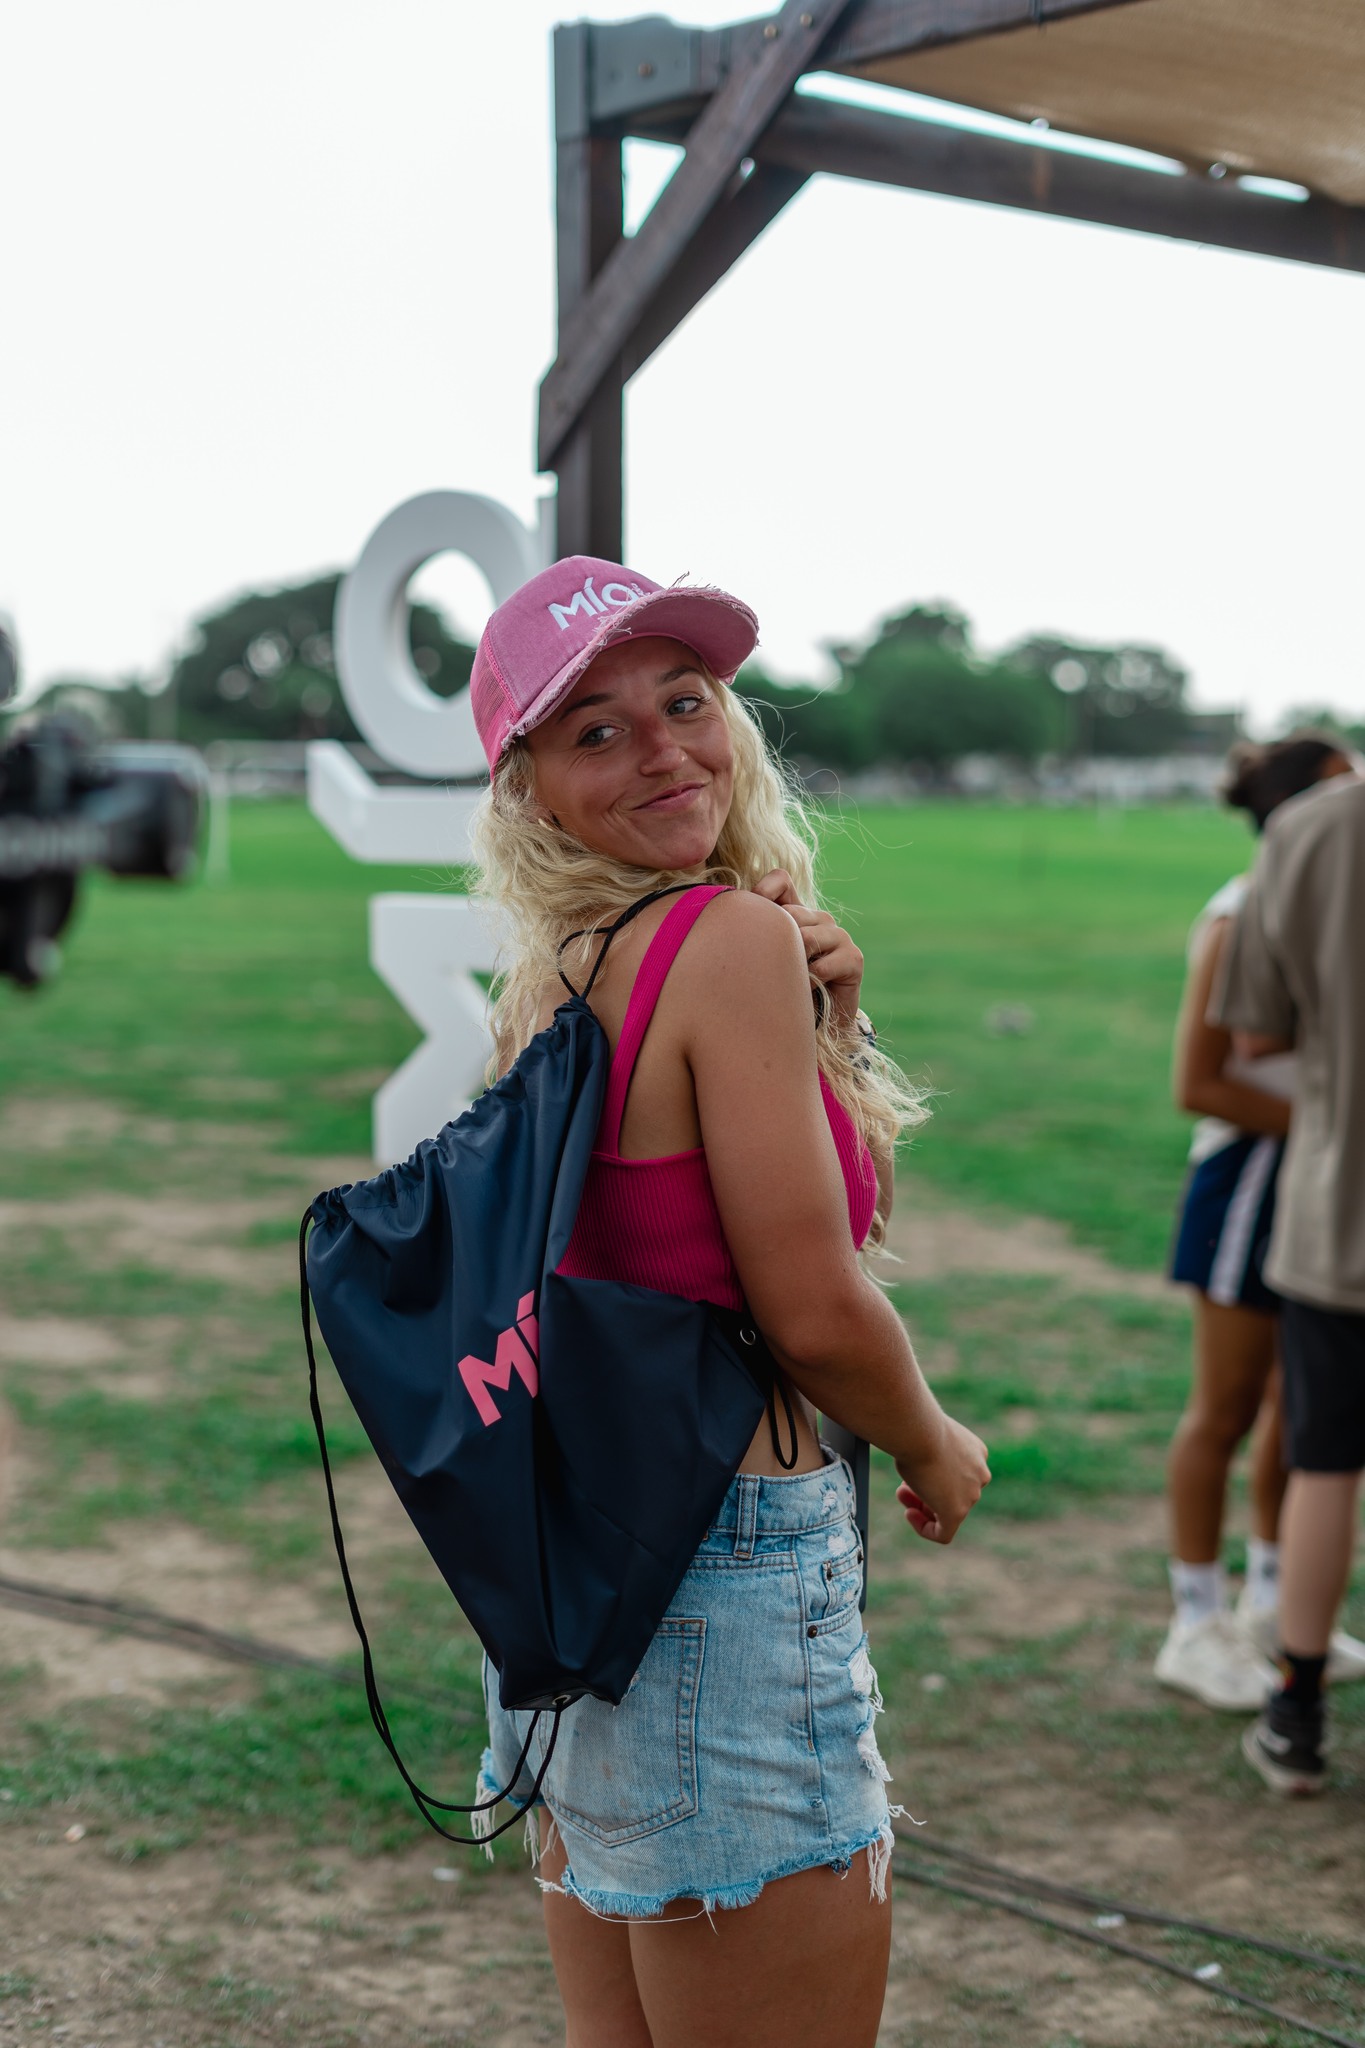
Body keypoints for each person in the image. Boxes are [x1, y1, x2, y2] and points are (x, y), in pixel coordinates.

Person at [463, 555, 990, 2048]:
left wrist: (830, 1022)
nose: (664, 749)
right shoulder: (723, 943)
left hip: (580, 1564)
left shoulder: (559, 973)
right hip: (728, 1564)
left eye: (683, 703)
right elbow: (811, 1304)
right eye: (597, 731)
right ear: (531, 790)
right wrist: (935, 1444)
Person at [1158, 735, 1364, 1711]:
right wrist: (1333, 1117)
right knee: (1228, 1405)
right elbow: (1199, 1079)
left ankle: (1278, 1606)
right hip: (1253, 1178)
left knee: (1302, 1411)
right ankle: (1194, 1620)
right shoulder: (1242, 910)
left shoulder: (1323, 894)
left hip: (1323, 1182)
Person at [1212, 757, 1365, 1795]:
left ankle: (1296, 1715)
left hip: (1340, 1210)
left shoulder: (1308, 832)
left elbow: (1255, 1036)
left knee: (1325, 1460)